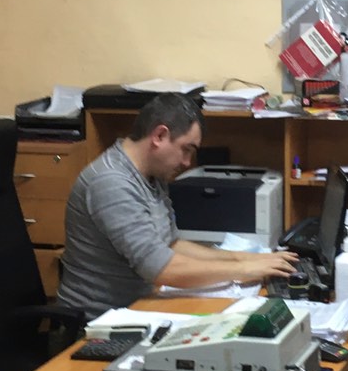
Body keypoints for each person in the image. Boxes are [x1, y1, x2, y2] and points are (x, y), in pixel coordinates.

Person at [57, 92, 298, 319]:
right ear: (159, 136)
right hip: (98, 321)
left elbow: (171, 244)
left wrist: (244, 258)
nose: (187, 162)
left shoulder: (151, 175)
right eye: (186, 149)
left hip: (138, 306)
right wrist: (243, 270)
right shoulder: (112, 183)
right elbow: (162, 269)